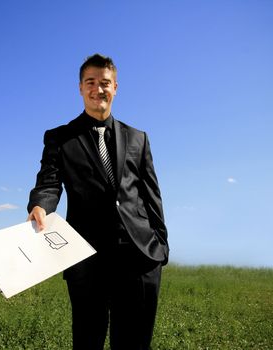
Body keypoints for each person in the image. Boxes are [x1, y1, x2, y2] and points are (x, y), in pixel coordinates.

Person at [27, 53, 169, 350]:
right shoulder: (59, 138)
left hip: (140, 259)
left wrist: (161, 247)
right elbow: (49, 183)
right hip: (86, 258)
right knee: (87, 341)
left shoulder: (138, 138)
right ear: (80, 88)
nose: (98, 89)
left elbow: (151, 195)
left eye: (105, 82)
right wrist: (40, 205)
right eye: (90, 82)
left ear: (115, 87)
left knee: (134, 344)